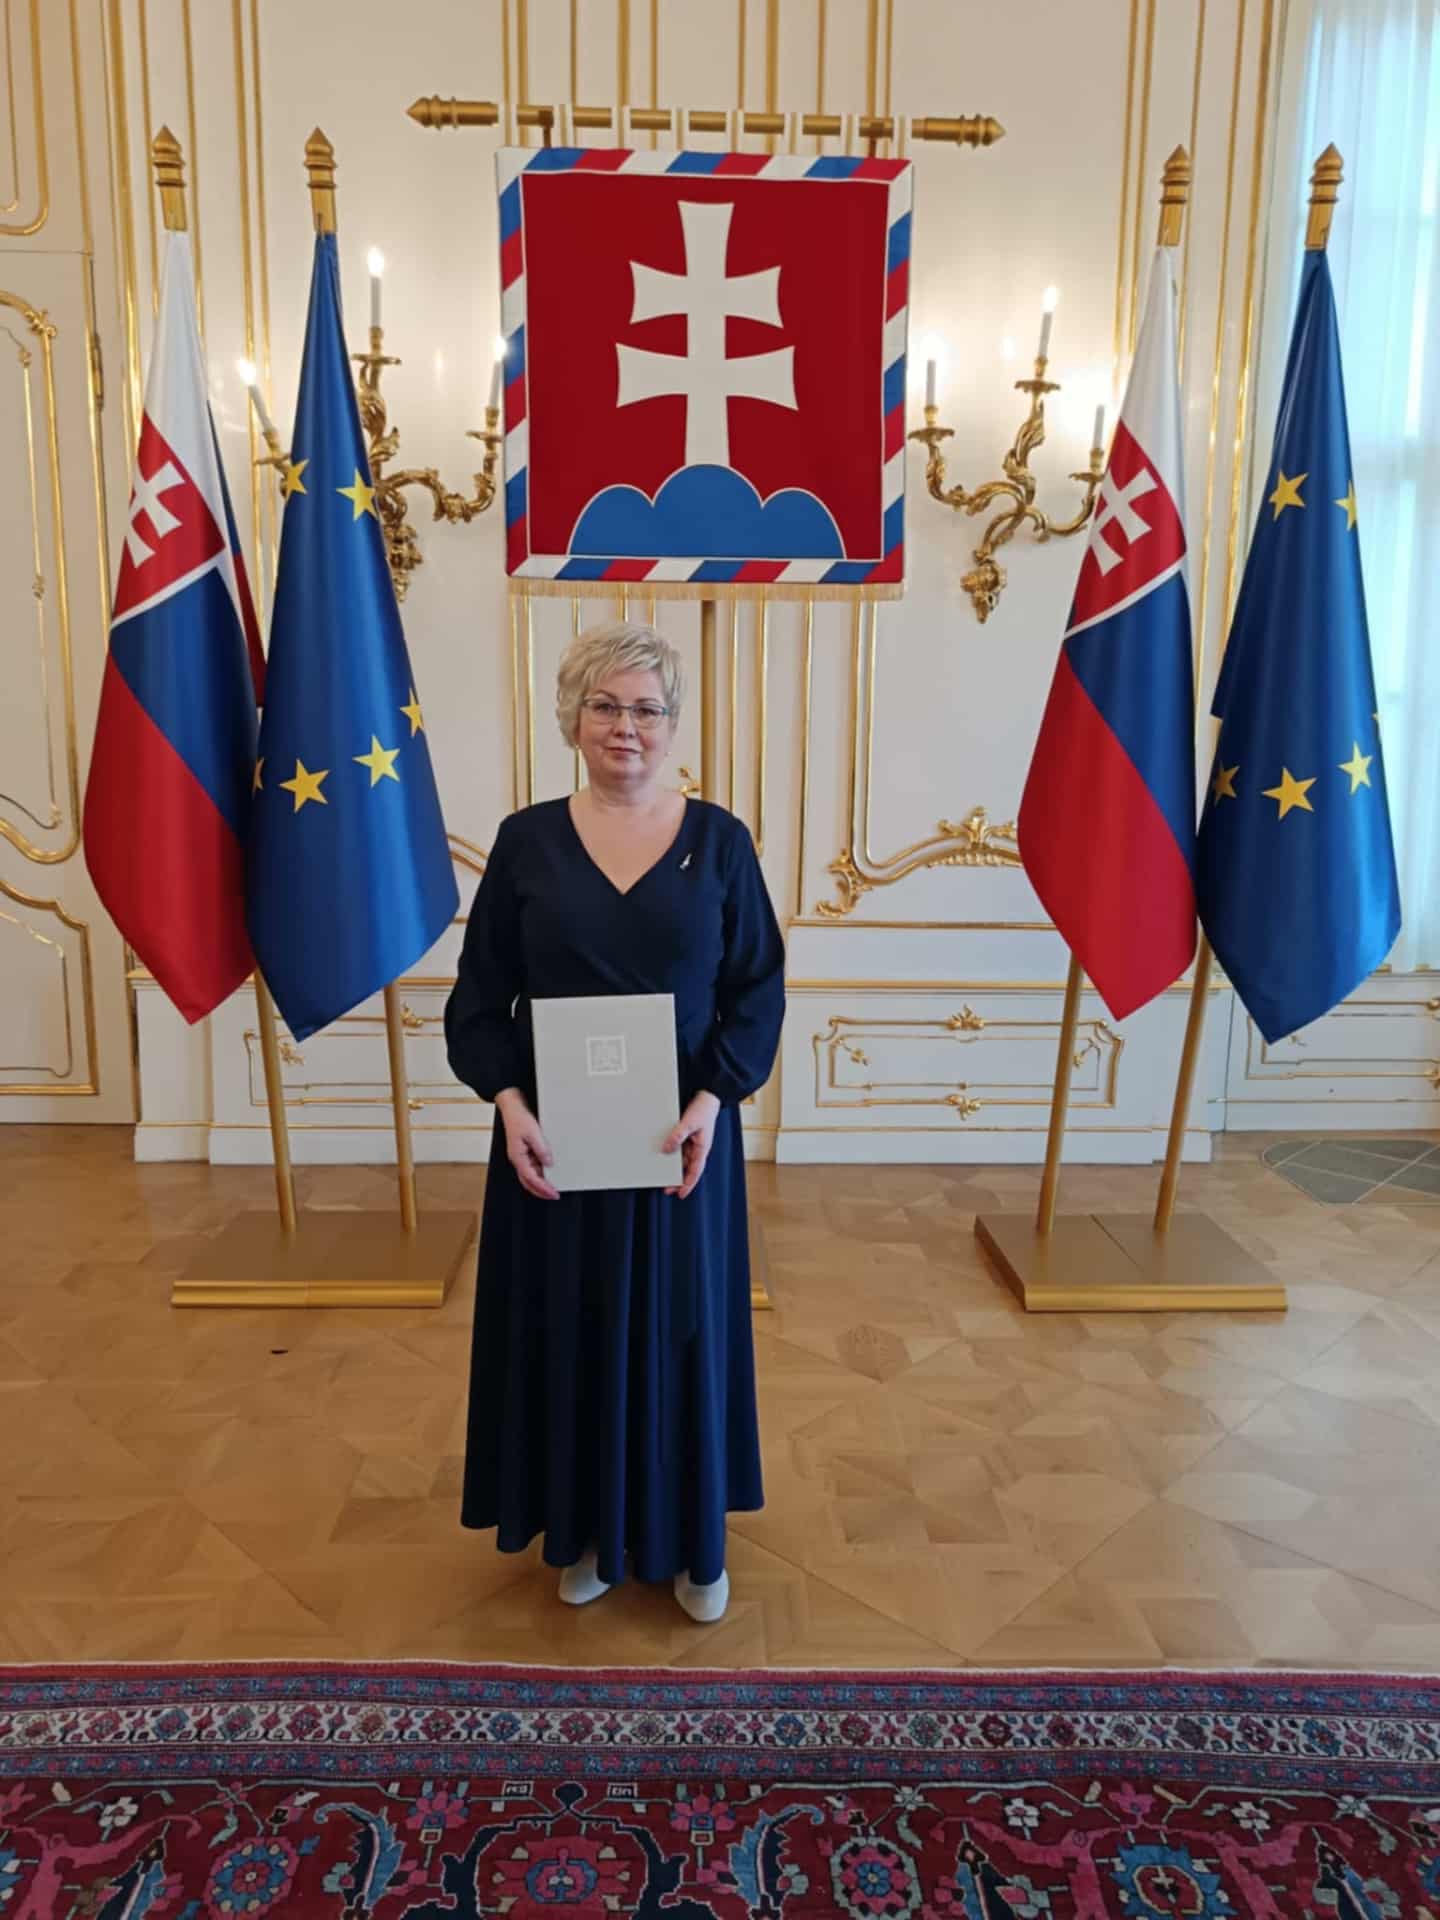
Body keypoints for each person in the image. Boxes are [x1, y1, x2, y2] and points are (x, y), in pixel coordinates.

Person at [445, 620, 785, 1623]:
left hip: (681, 1141)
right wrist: (508, 1105)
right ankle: (587, 1528)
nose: (624, 726)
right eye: (604, 705)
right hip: (553, 1144)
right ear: (573, 717)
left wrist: (714, 1098)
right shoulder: (524, 841)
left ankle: (691, 1546)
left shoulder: (720, 842)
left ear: (672, 724)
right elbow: (479, 999)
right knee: (571, 1326)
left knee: (682, 1334)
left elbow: (756, 990)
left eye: (645, 708)